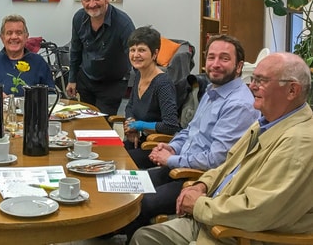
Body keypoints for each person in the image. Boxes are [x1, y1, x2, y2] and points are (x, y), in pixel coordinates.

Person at [131, 52, 313, 244]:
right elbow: (227, 165)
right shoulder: (266, 122)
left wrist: (199, 205)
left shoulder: (300, 143)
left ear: (292, 90)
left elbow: (258, 210)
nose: (252, 86)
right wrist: (202, 185)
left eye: (262, 81)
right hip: (211, 215)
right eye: (253, 79)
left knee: (143, 211)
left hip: (232, 233)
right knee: (143, 237)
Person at [117, 34, 260, 244]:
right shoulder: (213, 91)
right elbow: (188, 130)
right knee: (127, 185)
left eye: (224, 58)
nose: (215, 64)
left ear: (239, 67)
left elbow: (217, 160)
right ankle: (107, 231)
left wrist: (171, 160)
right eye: (211, 57)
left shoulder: (238, 105)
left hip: (199, 178)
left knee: (140, 202)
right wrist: (173, 147)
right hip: (180, 165)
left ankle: (110, 234)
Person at [66, 0, 135, 117]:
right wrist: (72, 79)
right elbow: (75, 50)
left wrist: (140, 88)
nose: (92, 4)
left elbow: (135, 55)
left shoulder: (123, 23)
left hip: (112, 83)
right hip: (86, 80)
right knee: (84, 121)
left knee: (102, 125)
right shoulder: (78, 18)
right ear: (81, 0)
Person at [123, 26, 181, 155]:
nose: (135, 55)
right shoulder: (139, 74)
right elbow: (130, 106)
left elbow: (170, 126)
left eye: (142, 50)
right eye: (132, 50)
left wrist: (140, 125)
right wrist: (131, 123)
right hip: (137, 139)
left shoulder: (163, 83)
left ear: (155, 54)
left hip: (155, 146)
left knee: (121, 162)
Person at [0, 14, 55, 97]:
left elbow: (52, 94)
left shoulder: (39, 62)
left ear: (26, 37)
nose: (14, 37)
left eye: (19, 33)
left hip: (32, 109)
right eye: (9, 33)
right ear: (2, 38)